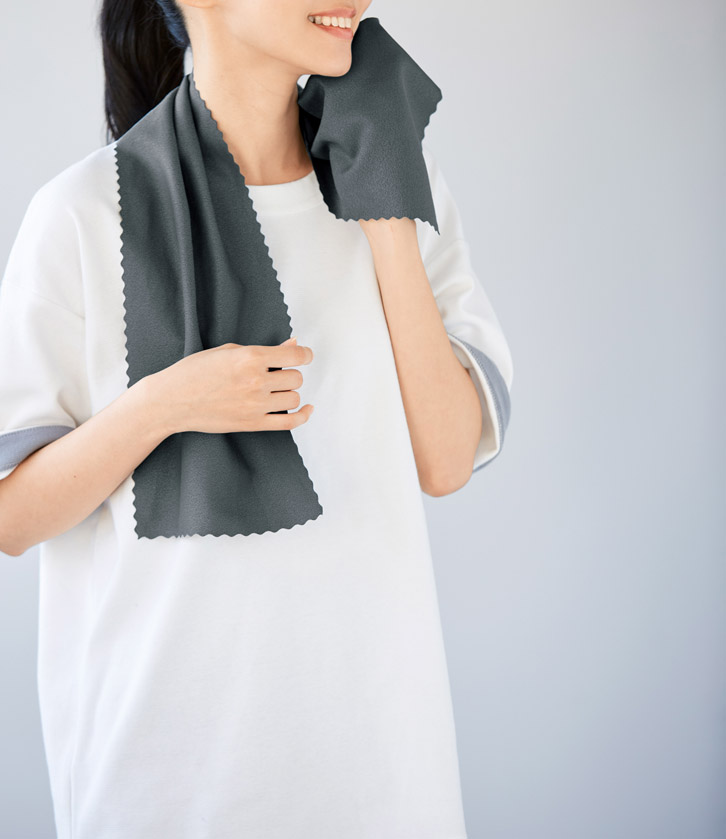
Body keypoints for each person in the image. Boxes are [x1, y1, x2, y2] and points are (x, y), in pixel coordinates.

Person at [0, 0, 514, 836]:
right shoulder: (83, 213)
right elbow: (11, 513)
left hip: (382, 771)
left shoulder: (401, 180)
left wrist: (385, 205)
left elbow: (447, 457)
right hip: (167, 782)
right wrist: (166, 403)